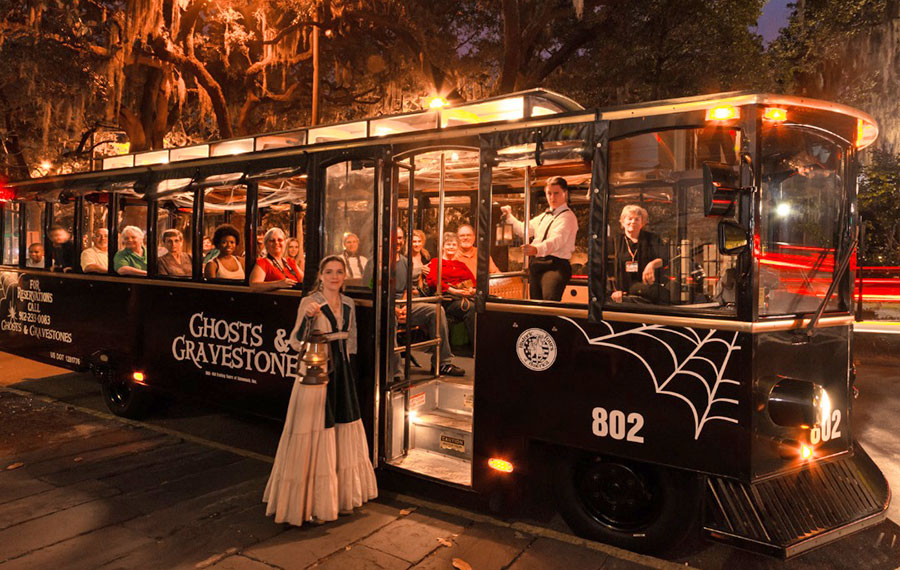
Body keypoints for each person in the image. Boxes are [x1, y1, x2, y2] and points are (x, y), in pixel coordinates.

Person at [264, 255, 377, 525]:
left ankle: (340, 498)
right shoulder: (309, 302)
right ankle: (312, 503)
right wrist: (306, 319)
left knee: (342, 427)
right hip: (317, 375)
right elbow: (295, 341)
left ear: (345, 276)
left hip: (342, 376)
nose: (334, 276)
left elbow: (351, 343)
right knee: (316, 431)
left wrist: (350, 372)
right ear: (321, 276)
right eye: (329, 272)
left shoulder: (348, 304)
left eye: (339, 272)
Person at [365, 227, 465, 377]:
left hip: (404, 304)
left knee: (436, 311)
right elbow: (369, 289)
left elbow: (407, 289)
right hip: (383, 305)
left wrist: (405, 306)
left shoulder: (405, 262)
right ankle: (395, 372)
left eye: (400, 238)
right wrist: (392, 307)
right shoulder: (374, 263)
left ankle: (442, 362)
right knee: (389, 317)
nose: (397, 242)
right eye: (394, 238)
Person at [500, 176, 577, 301]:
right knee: (535, 306)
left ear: (565, 193)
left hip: (555, 266)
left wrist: (536, 249)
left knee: (548, 303)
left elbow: (556, 241)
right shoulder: (543, 217)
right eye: (549, 193)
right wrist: (509, 216)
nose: (552, 197)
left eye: (556, 193)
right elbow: (524, 229)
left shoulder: (568, 217)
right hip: (537, 264)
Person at [425, 232, 476, 346]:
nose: (451, 247)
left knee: (482, 306)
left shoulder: (460, 264)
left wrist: (472, 290)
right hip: (445, 299)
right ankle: (477, 347)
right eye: (448, 244)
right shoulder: (436, 262)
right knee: (472, 308)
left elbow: (473, 281)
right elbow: (433, 280)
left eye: (454, 244)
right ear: (443, 246)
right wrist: (452, 290)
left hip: (462, 297)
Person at [611, 205, 668, 303]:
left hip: (647, 288)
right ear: (623, 222)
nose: (633, 222)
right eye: (630, 218)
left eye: (637, 219)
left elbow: (665, 258)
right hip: (622, 290)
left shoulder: (652, 238)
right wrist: (614, 291)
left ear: (642, 222)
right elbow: (606, 268)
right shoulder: (614, 241)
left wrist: (652, 265)